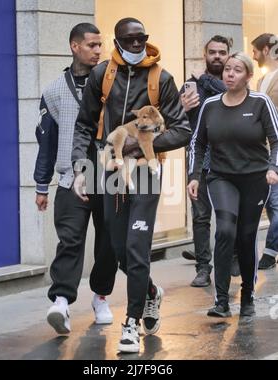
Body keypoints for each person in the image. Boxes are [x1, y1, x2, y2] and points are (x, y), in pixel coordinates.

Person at [71, 17, 191, 353]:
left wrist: (141, 145)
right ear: (118, 41)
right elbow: (84, 126)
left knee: (137, 248)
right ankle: (150, 291)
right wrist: (81, 168)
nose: (137, 46)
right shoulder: (101, 75)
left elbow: (182, 129)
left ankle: (130, 324)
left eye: (142, 39)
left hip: (145, 171)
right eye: (130, 40)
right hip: (110, 170)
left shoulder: (161, 78)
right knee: (118, 248)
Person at [34, 23, 118, 335]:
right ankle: (60, 302)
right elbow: (47, 142)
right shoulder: (54, 91)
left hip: (111, 175)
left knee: (110, 241)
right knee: (70, 239)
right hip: (72, 176)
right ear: (74, 46)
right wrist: (42, 185)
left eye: (101, 45)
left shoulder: (115, 84)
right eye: (92, 45)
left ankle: (100, 297)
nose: (98, 50)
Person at [188, 52, 278, 318]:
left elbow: (276, 141)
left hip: (255, 178)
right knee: (225, 230)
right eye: (227, 69)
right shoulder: (211, 105)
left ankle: (248, 292)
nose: (230, 74)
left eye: (237, 70)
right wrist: (194, 175)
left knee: (246, 236)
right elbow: (198, 142)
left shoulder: (260, 102)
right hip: (221, 177)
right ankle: (221, 300)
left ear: (248, 76)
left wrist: (274, 168)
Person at [180, 35, 240, 287]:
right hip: (200, 160)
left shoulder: (234, 82)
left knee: (231, 214)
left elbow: (229, 99)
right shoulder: (189, 85)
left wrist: (204, 79)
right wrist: (181, 108)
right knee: (200, 217)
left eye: (222, 52)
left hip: (231, 160)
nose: (217, 56)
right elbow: (172, 119)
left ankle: (235, 256)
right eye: (212, 52)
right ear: (205, 54)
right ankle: (203, 268)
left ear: (229, 54)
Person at [251, 33, 278, 270]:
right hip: (264, 151)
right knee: (271, 204)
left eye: (256, 51)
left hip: (276, 149)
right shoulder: (262, 81)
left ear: (267, 50)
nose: (253, 56)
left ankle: (269, 251)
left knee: (276, 204)